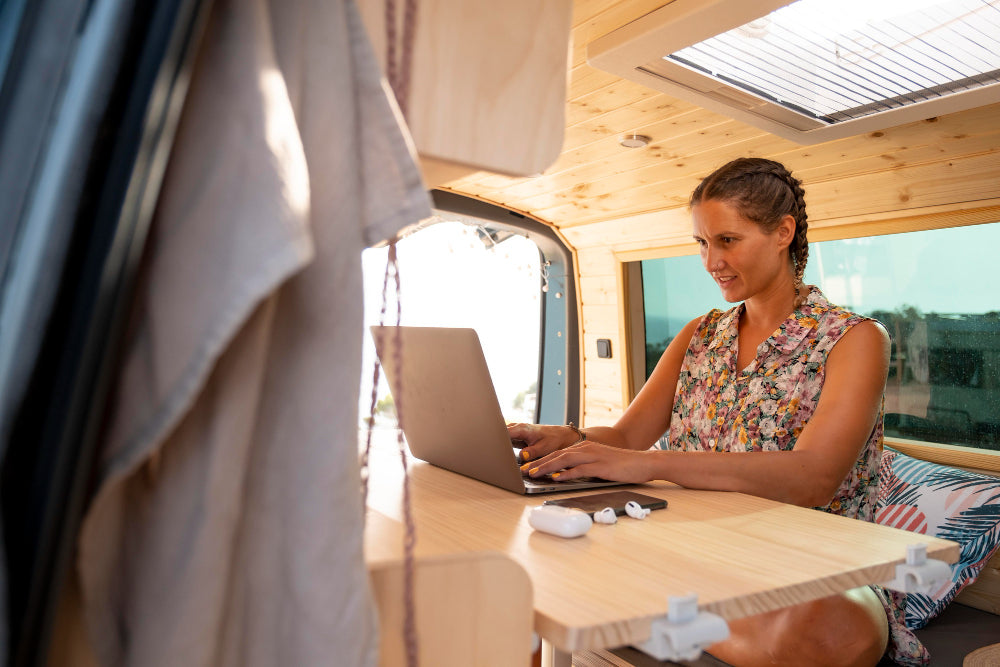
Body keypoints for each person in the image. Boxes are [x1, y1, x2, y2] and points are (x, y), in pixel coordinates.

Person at [508, 157, 928, 667]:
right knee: (536, 557)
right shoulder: (699, 335)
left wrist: (652, 464)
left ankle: (638, 604)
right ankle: (661, 606)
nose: (712, 261)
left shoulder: (854, 339)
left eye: (727, 240)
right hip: (695, 548)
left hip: (811, 566)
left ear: (783, 233)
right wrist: (568, 438)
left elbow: (813, 478)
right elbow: (626, 436)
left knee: (836, 631)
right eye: (703, 243)